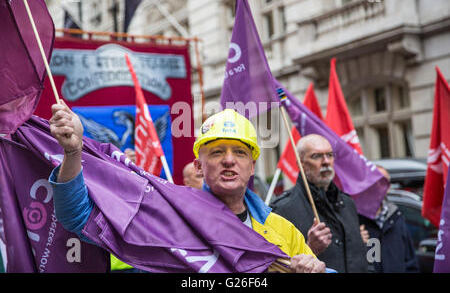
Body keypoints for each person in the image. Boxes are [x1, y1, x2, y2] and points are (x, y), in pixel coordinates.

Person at [48, 101, 325, 273]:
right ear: (199, 166)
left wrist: (318, 269)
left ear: (252, 166)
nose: (229, 160)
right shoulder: (167, 216)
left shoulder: (283, 230)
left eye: (240, 153)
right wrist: (74, 153)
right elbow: (77, 217)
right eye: (216, 152)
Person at [270, 134, 368, 273]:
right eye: (317, 156)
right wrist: (310, 248)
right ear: (301, 163)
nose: (326, 161)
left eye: (329, 155)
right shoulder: (282, 209)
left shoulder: (347, 203)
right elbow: (275, 266)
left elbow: (361, 257)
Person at [358, 165, 420, 273]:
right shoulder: (355, 219)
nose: (379, 186)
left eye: (384, 182)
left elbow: (410, 261)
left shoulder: (396, 217)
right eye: (375, 181)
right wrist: (355, 241)